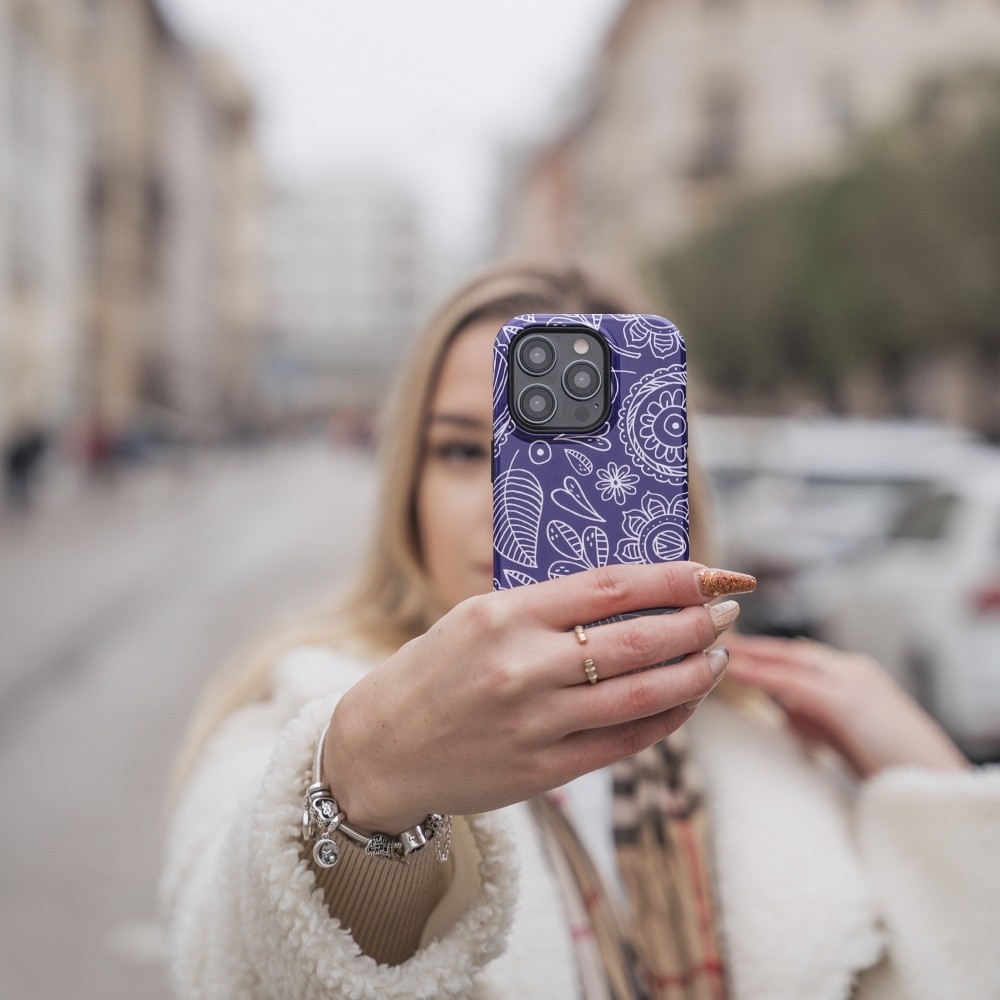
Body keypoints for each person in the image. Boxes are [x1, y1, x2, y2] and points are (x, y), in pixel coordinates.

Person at [162, 261, 1000, 1000]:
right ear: (406, 485)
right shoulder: (298, 714)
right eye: (463, 452)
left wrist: (939, 788)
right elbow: (227, 967)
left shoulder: (772, 739)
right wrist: (363, 784)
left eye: (587, 453)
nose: (514, 496)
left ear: (668, 477)